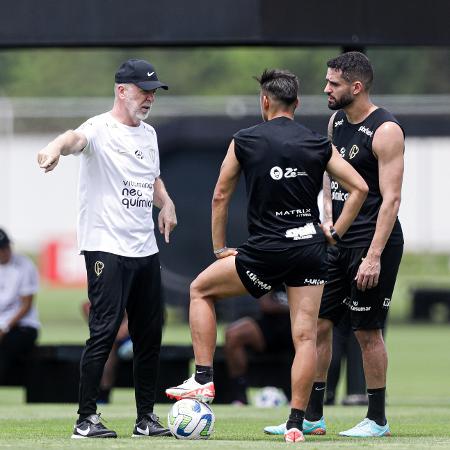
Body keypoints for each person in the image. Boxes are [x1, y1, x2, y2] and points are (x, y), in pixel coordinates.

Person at [165, 68, 368, 443]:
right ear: (297, 103)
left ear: (265, 101)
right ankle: (295, 423)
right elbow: (358, 187)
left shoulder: (245, 139)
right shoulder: (315, 142)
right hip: (309, 249)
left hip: (265, 251)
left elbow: (220, 196)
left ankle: (204, 380)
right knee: (306, 337)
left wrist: (219, 248)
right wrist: (334, 231)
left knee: (200, 290)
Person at [264, 52, 405, 438]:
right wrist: (328, 214)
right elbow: (330, 174)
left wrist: (374, 255)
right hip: (339, 239)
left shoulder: (386, 130)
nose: (325, 88)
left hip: (374, 242)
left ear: (356, 87)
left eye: (334, 83)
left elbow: (391, 200)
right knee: (320, 326)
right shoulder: (336, 121)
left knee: (366, 331)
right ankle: (312, 416)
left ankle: (377, 418)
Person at [37, 58, 177, 439]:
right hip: (105, 247)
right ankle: (86, 419)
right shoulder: (99, 128)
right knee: (103, 331)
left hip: (144, 248)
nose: (149, 98)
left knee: (150, 336)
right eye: (143, 91)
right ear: (121, 90)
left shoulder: (148, 134)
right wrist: (53, 148)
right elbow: (72, 140)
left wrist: (166, 203)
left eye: (153, 92)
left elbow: (152, 179)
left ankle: (145, 419)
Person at [224, 286, 293, 405]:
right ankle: (240, 396)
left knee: (318, 334)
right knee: (233, 334)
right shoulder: (276, 270)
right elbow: (266, 304)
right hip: (269, 325)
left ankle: (309, 397)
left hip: (299, 326)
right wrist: (295, 307)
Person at [0, 228, 40, 383]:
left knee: (6, 349)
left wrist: (4, 327)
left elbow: (26, 306)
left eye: (6, 247)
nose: (4, 252)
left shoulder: (24, 266)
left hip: (22, 325)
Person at [81, 300, 130, 404]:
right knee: (107, 346)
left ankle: (102, 395)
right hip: (114, 338)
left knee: (109, 344)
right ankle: (101, 395)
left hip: (137, 336)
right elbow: (87, 306)